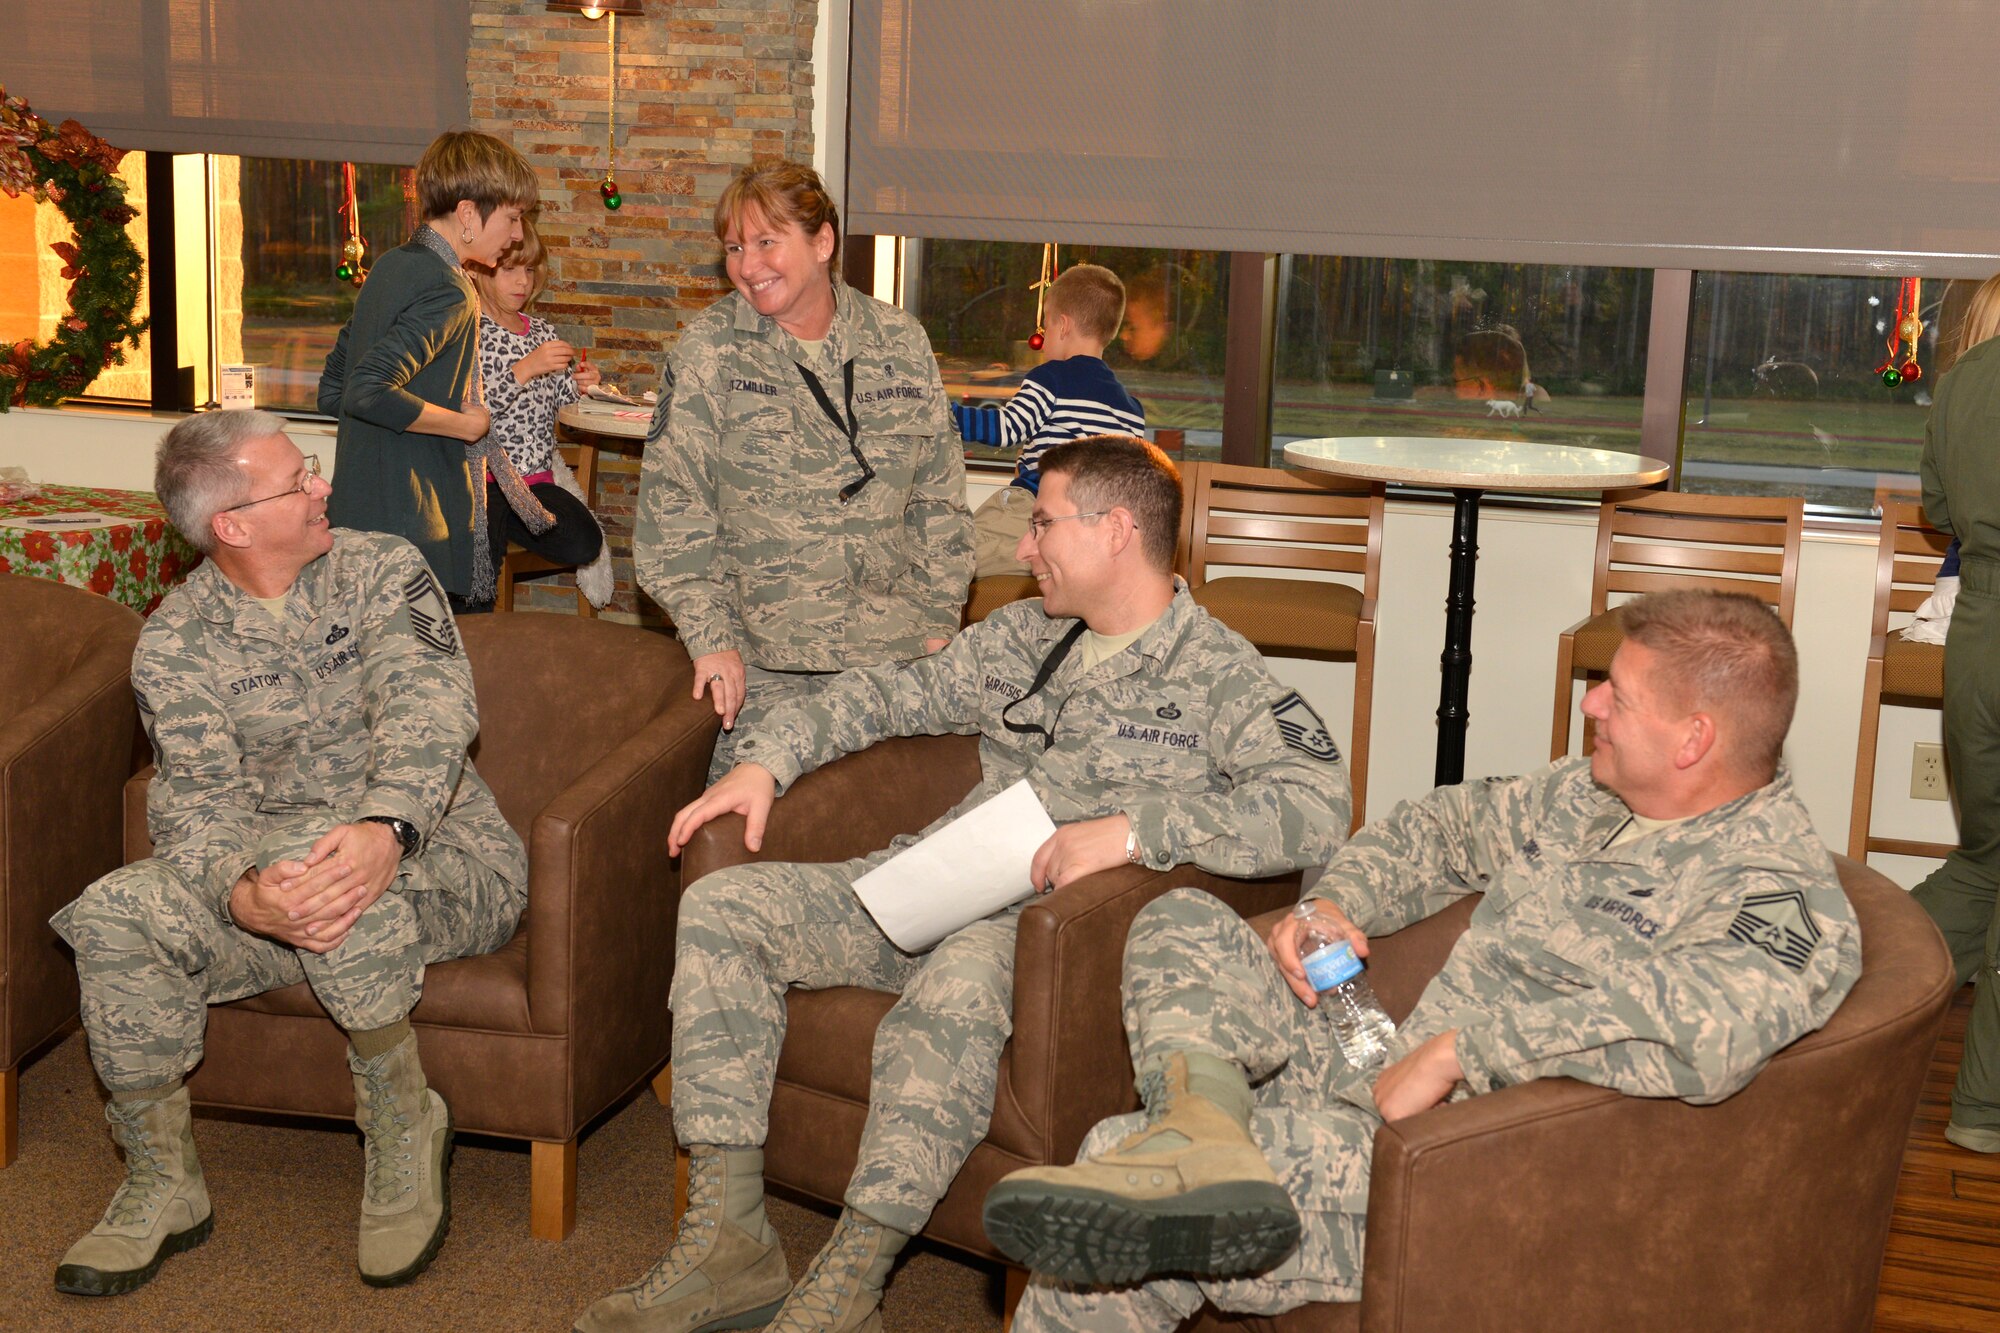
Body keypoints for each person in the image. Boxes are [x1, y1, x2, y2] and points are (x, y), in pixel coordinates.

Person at [575, 436, 1351, 1333]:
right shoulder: (1027, 636)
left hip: (1039, 936)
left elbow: (1315, 807)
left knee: (957, 983)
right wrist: (766, 761)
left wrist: (1139, 831)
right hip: (924, 885)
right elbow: (885, 695)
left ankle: (851, 1280)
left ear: (1117, 530)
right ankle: (729, 1242)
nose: (1024, 549)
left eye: (1043, 523)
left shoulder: (1222, 675)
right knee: (722, 905)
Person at [984, 589, 1861, 1330]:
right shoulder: (1588, 796)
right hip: (1377, 1064)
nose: (1592, 704)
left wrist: (1463, 1051)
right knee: (1183, 919)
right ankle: (1206, 1126)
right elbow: (1439, 828)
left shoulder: (1774, 891)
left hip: (1471, 1163)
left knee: (1120, 1164)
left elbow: (1700, 1024)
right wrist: (1335, 904)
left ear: (1694, 738)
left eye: (1619, 697)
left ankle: (1193, 1143)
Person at [49, 411, 528, 1296]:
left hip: (443, 852)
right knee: (116, 910)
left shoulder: (382, 568)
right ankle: (163, 1182)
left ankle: (401, 1124)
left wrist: (386, 828)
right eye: (297, 479)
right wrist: (237, 892)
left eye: (309, 466)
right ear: (230, 526)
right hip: (275, 873)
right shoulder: (175, 640)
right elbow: (195, 800)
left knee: (338, 879)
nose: (323, 486)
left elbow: (431, 709)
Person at [634, 160, 973, 781]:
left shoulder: (900, 341)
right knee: (754, 842)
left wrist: (936, 619)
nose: (748, 264)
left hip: (893, 658)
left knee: (893, 844)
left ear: (822, 243)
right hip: (766, 667)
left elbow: (939, 500)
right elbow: (674, 515)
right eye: (735, 247)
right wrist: (710, 639)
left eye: (767, 241)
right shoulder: (710, 352)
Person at [320, 129, 539, 612]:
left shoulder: (390, 265)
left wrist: (383, 443)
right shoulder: (451, 289)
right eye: (513, 217)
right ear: (467, 214)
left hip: (357, 517)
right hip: (414, 530)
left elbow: (334, 387)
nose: (518, 233)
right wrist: (467, 424)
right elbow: (365, 391)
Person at [1913, 271, 2000, 1153]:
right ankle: (1984, 1107)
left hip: (1977, 641)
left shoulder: (1963, 383)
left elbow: (1940, 511)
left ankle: (1847, 980)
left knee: (1986, 858)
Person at [963, 263, 1147, 579]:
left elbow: (1008, 430)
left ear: (1063, 326)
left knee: (946, 559)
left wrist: (946, 414)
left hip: (1034, 513)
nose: (1044, 337)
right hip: (1089, 532)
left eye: (1045, 326)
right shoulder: (1131, 409)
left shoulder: (1050, 379)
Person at [466, 216, 612, 608]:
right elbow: (469, 412)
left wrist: (585, 384)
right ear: (480, 271)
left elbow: (564, 402)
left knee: (586, 540)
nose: (522, 282)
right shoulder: (469, 331)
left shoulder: (543, 331)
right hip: (485, 481)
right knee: (479, 567)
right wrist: (524, 368)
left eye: (529, 270)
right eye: (509, 269)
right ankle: (474, 639)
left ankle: (515, 519)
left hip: (536, 482)